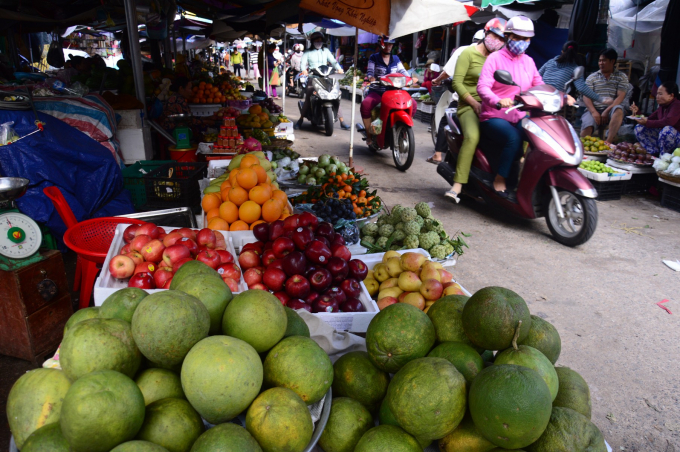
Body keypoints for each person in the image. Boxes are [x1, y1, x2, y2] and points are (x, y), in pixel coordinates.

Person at [477, 16, 566, 198]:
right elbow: (482, 87)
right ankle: (500, 179)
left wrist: (561, 96)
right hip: (495, 115)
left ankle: (529, 179)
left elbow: (539, 84)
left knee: (542, 138)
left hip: (519, 114)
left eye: (525, 39)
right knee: (514, 139)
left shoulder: (529, 61)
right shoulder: (495, 58)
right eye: (517, 38)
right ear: (508, 36)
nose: (521, 42)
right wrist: (497, 100)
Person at [440, 18, 507, 203]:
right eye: (495, 36)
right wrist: (474, 103)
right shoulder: (468, 53)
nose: (498, 41)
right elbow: (457, 83)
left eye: (502, 39)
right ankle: (457, 186)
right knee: (472, 137)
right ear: (486, 33)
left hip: (492, 104)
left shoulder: (499, 58)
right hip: (468, 104)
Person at [427, 28, 488, 164]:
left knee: (445, 121)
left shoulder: (464, 50)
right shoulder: (497, 55)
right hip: (489, 101)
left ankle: (438, 155)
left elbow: (448, 72)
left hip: (465, 100)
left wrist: (437, 80)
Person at [359, 36, 417, 145]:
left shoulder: (395, 59)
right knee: (365, 105)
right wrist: (371, 77)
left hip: (394, 92)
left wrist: (410, 78)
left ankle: (404, 129)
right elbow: (370, 71)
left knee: (412, 103)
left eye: (390, 44)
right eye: (385, 43)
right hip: (378, 91)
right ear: (381, 44)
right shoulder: (374, 57)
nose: (388, 46)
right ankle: (369, 135)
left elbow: (403, 71)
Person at [295, 31, 348, 131]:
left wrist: (339, 68)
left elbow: (333, 61)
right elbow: (303, 64)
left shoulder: (326, 51)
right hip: (313, 77)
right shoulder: (307, 52)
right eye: (316, 40)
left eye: (320, 40)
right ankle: (300, 120)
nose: (318, 42)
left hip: (326, 77)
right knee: (309, 96)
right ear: (312, 41)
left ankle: (342, 121)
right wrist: (304, 70)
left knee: (335, 95)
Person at [540, 41, 611, 105]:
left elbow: (537, 75)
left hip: (538, 94)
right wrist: (601, 99)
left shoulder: (550, 62)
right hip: (553, 100)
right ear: (576, 54)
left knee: (529, 114)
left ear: (562, 51)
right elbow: (582, 88)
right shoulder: (575, 68)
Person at [580, 48, 629, 141]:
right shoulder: (592, 77)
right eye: (600, 60)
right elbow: (586, 96)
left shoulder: (621, 77)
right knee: (586, 130)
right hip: (594, 109)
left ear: (612, 61)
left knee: (618, 110)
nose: (601, 63)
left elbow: (620, 97)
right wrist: (594, 112)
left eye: (604, 61)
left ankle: (608, 142)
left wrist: (606, 111)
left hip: (612, 109)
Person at [630, 81, 680, 156]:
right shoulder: (662, 107)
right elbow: (650, 119)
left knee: (667, 130)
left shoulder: (677, 105)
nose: (657, 96)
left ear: (671, 96)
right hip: (665, 138)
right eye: (657, 94)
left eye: (660, 94)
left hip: (676, 139)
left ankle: (664, 157)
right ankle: (653, 152)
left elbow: (669, 122)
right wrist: (637, 113)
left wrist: (647, 122)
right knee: (639, 128)